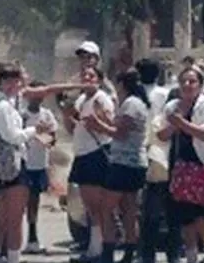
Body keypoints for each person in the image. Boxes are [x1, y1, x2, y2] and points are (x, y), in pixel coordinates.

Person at [0, 62, 56, 263]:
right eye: (7, 80)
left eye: (16, 79)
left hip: (9, 166)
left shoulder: (9, 102)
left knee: (4, 218)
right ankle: (9, 257)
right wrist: (34, 131)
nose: (13, 84)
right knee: (12, 220)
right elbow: (12, 136)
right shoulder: (4, 106)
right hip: (11, 167)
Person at [160, 65, 204, 263]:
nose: (187, 85)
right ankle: (191, 257)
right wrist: (174, 123)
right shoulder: (172, 106)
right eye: (184, 81)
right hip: (182, 167)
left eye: (192, 81)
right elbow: (161, 135)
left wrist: (182, 123)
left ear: (201, 85)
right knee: (186, 218)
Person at [85, 69, 149, 263]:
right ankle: (129, 253)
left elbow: (120, 133)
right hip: (134, 163)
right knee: (129, 209)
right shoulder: (134, 104)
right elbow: (119, 126)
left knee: (106, 208)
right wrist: (104, 117)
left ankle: (108, 252)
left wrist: (98, 124)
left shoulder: (131, 104)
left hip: (124, 163)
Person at [63, 66, 115, 263]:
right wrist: (68, 116)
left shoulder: (102, 99)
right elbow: (74, 128)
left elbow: (110, 125)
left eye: (91, 76)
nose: (86, 78)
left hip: (96, 154)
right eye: (84, 75)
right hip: (82, 153)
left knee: (97, 205)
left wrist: (98, 120)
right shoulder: (81, 100)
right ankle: (95, 247)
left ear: (99, 80)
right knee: (89, 205)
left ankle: (99, 248)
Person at [141, 86, 182, 263]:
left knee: (176, 219)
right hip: (159, 175)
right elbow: (161, 136)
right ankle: (147, 255)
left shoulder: (192, 121)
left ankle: (174, 254)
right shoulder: (159, 119)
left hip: (180, 176)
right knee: (152, 218)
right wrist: (175, 124)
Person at [22, 81, 58, 254]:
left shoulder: (47, 115)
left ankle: (32, 237)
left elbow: (52, 141)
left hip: (38, 165)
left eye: (40, 95)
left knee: (34, 202)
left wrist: (42, 133)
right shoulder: (21, 114)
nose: (37, 98)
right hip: (22, 164)